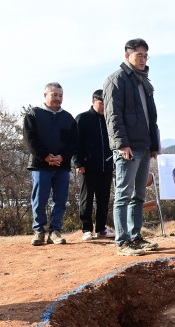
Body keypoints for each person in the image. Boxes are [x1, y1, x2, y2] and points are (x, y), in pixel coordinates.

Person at [103, 38, 160, 256]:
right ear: (127, 56)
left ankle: (136, 237)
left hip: (144, 147)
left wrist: (154, 144)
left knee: (138, 196)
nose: (143, 59)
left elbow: (151, 117)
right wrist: (121, 144)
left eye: (146, 56)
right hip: (128, 148)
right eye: (139, 55)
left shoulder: (144, 81)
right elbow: (113, 116)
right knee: (123, 195)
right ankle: (122, 242)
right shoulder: (116, 80)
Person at [23, 82, 79, 246]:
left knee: (60, 200)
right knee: (39, 199)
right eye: (54, 95)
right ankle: (39, 231)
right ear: (45, 95)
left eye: (60, 95)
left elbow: (74, 142)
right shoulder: (33, 114)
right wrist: (45, 157)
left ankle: (55, 231)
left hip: (62, 166)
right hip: (41, 165)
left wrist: (62, 157)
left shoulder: (68, 118)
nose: (58, 98)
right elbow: (30, 139)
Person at [73, 90, 115, 241]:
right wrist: (78, 163)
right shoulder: (82, 118)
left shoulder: (110, 119)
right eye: (101, 103)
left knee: (104, 198)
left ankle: (101, 228)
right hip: (88, 166)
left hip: (107, 166)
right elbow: (76, 143)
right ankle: (86, 229)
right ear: (93, 101)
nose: (104, 106)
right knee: (87, 198)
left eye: (107, 103)